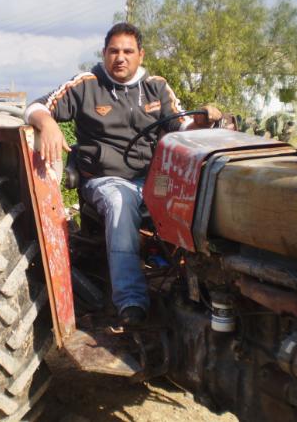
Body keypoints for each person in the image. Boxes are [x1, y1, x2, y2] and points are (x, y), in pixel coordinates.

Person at [24, 22, 221, 326]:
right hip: (104, 180)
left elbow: (182, 128)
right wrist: (47, 123)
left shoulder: (156, 87)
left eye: (128, 51)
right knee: (120, 200)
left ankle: (203, 289)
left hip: (153, 180)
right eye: (114, 51)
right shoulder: (87, 85)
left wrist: (201, 122)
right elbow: (36, 107)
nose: (120, 57)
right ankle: (131, 301)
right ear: (104, 53)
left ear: (141, 55)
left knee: (203, 196)